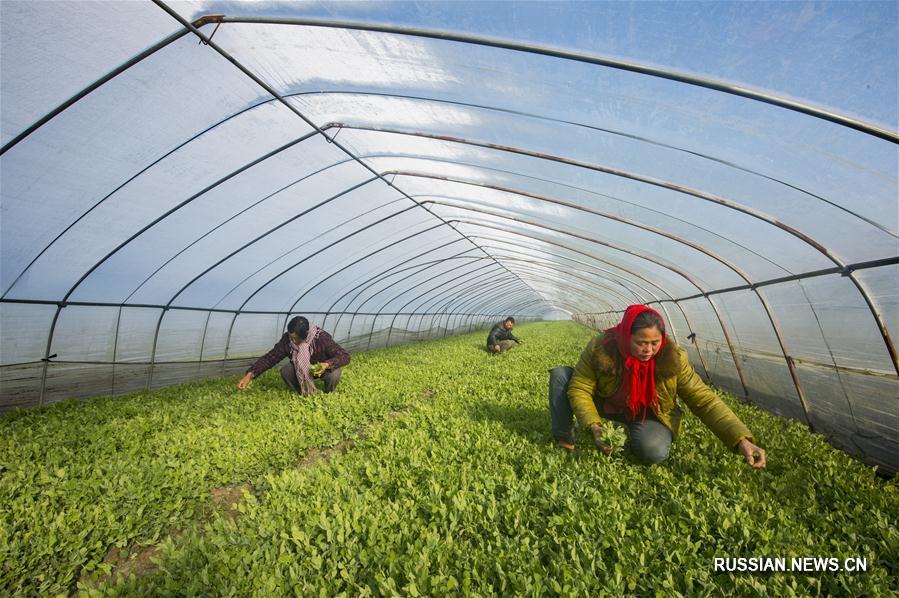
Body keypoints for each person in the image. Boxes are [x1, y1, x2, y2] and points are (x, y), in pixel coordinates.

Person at [548, 304, 767, 468]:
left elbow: (704, 399)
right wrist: (594, 427)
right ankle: (565, 439)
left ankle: (630, 432)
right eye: (641, 343)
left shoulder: (673, 358)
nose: (649, 350)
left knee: (653, 452)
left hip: (650, 413)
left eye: (655, 342)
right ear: (626, 336)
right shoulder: (601, 348)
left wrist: (741, 439)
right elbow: (580, 388)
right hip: (608, 403)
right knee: (561, 375)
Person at [237, 316, 350, 395]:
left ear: (305, 334)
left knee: (334, 373)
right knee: (286, 371)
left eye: (295, 338)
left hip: (321, 370)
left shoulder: (321, 338)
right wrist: (250, 374)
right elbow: (271, 357)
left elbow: (344, 356)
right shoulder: (287, 340)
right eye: (291, 337)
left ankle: (329, 393)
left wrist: (326, 364)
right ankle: (304, 392)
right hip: (300, 370)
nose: (292, 341)